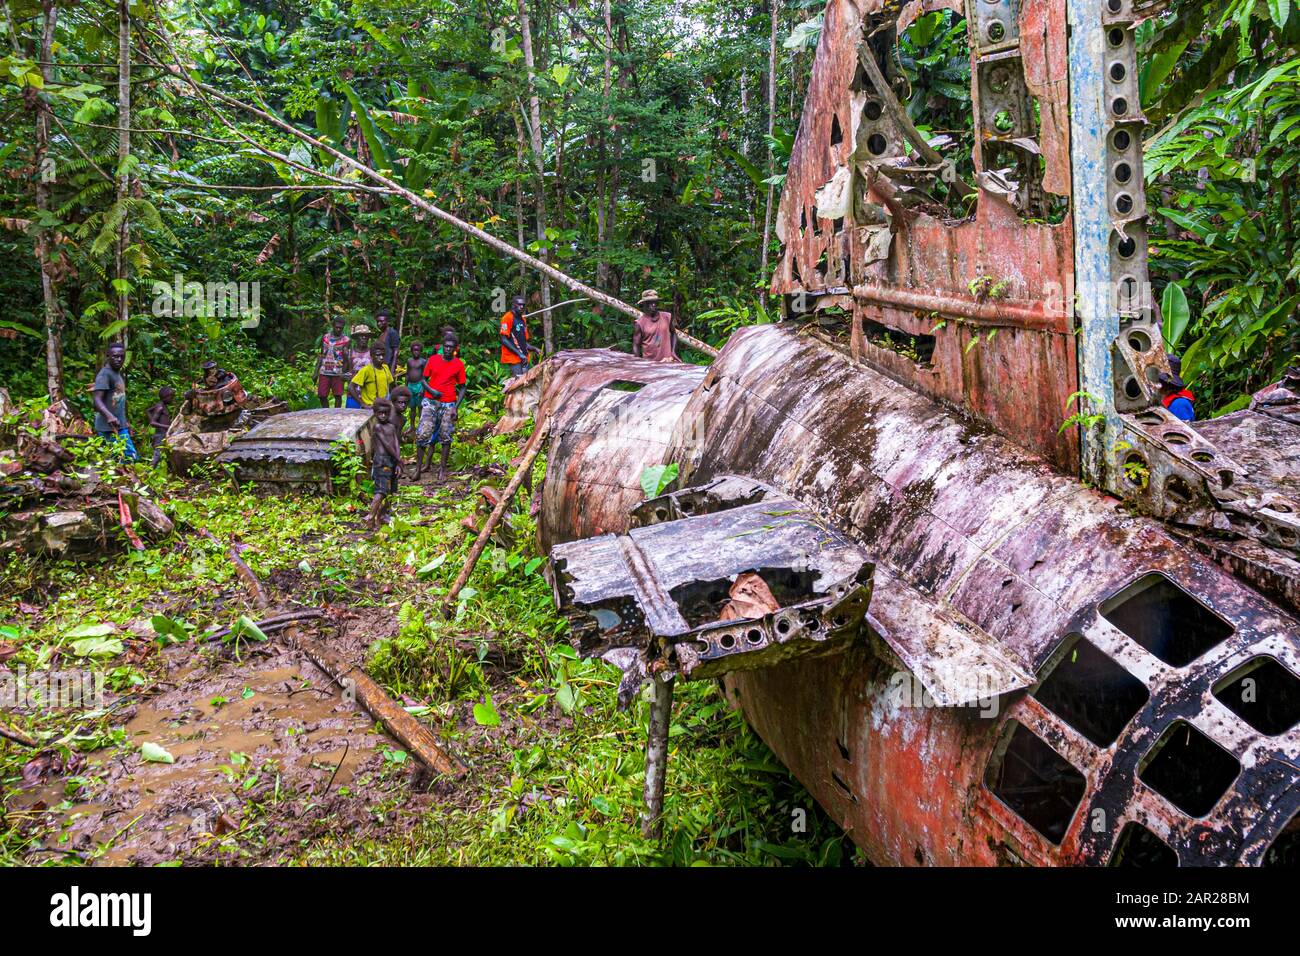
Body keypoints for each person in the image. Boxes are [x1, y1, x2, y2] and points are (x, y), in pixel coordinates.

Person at [416, 331, 467, 481]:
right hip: (430, 401)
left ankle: (442, 470)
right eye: (446, 346)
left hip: (448, 403)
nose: (448, 349)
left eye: (451, 347)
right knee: (423, 433)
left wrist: (455, 407)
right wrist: (431, 391)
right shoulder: (433, 360)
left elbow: (463, 387)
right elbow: (423, 379)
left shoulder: (458, 364)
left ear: (455, 348)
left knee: (446, 436)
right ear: (442, 347)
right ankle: (418, 469)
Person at [91, 342, 138, 461]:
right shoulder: (105, 374)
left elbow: (119, 400)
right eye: (115, 356)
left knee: (117, 459)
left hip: (119, 425)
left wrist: (125, 422)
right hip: (108, 426)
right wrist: (110, 416)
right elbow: (97, 399)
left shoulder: (116, 373)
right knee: (129, 457)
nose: (119, 359)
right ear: (108, 356)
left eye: (122, 357)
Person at [366, 395, 402, 531]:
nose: (382, 416)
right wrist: (399, 460)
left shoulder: (391, 427)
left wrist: (398, 462)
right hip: (382, 461)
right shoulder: (377, 427)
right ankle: (370, 517)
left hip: (392, 460)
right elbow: (387, 444)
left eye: (385, 413)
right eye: (379, 413)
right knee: (381, 491)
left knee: (392, 490)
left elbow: (396, 442)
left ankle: (382, 515)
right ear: (375, 413)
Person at [314, 316, 352, 408]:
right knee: (322, 395)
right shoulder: (325, 338)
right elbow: (322, 355)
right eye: (337, 327)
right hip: (324, 371)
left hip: (338, 372)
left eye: (341, 328)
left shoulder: (346, 340)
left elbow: (347, 359)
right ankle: (326, 412)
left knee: (338, 396)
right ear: (333, 326)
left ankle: (336, 414)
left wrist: (343, 373)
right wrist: (315, 372)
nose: (338, 329)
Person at [632, 289, 679, 363]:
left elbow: (673, 333)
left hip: (667, 361)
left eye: (655, 302)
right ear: (644, 304)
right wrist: (639, 363)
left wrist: (673, 352)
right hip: (650, 364)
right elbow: (636, 345)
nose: (653, 305)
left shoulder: (666, 317)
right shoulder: (640, 323)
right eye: (650, 303)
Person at [499, 294, 540, 378]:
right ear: (513, 305)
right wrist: (519, 354)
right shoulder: (507, 318)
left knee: (526, 382)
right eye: (519, 304)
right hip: (514, 357)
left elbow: (524, 341)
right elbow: (504, 339)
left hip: (524, 357)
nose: (521, 307)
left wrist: (534, 348)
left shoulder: (523, 319)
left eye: (523, 305)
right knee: (518, 382)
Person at [347, 343, 396, 409]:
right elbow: (351, 387)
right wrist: (362, 404)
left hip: (384, 407)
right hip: (370, 408)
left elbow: (391, 385)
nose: (381, 357)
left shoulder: (385, 368)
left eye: (383, 355)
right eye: (378, 355)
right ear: (372, 356)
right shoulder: (366, 370)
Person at [145, 386, 175, 467]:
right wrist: (167, 426)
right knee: (157, 455)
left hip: (163, 434)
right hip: (160, 435)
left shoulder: (160, 405)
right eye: (171, 397)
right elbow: (152, 423)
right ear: (165, 397)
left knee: (165, 452)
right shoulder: (160, 407)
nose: (172, 399)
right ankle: (149, 471)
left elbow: (147, 410)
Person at [404, 341, 425, 434]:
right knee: (412, 408)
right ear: (411, 351)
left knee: (420, 407)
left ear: (420, 351)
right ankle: (412, 426)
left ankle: (421, 426)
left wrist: (423, 388)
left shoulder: (423, 361)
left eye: (418, 350)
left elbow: (425, 376)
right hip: (410, 386)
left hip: (419, 385)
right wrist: (405, 387)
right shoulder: (409, 361)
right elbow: (408, 374)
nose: (416, 352)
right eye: (414, 350)